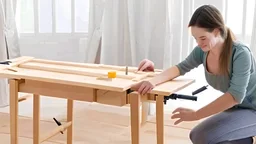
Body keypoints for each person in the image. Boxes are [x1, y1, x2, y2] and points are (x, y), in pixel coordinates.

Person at [131, 4, 256, 144]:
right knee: (198, 136)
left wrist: (196, 114)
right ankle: (243, 138)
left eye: (202, 38)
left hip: (253, 108)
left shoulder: (240, 53)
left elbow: (234, 96)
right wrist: (152, 81)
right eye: (195, 39)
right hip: (238, 108)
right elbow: (180, 68)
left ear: (216, 31)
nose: (199, 43)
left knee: (209, 138)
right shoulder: (203, 51)